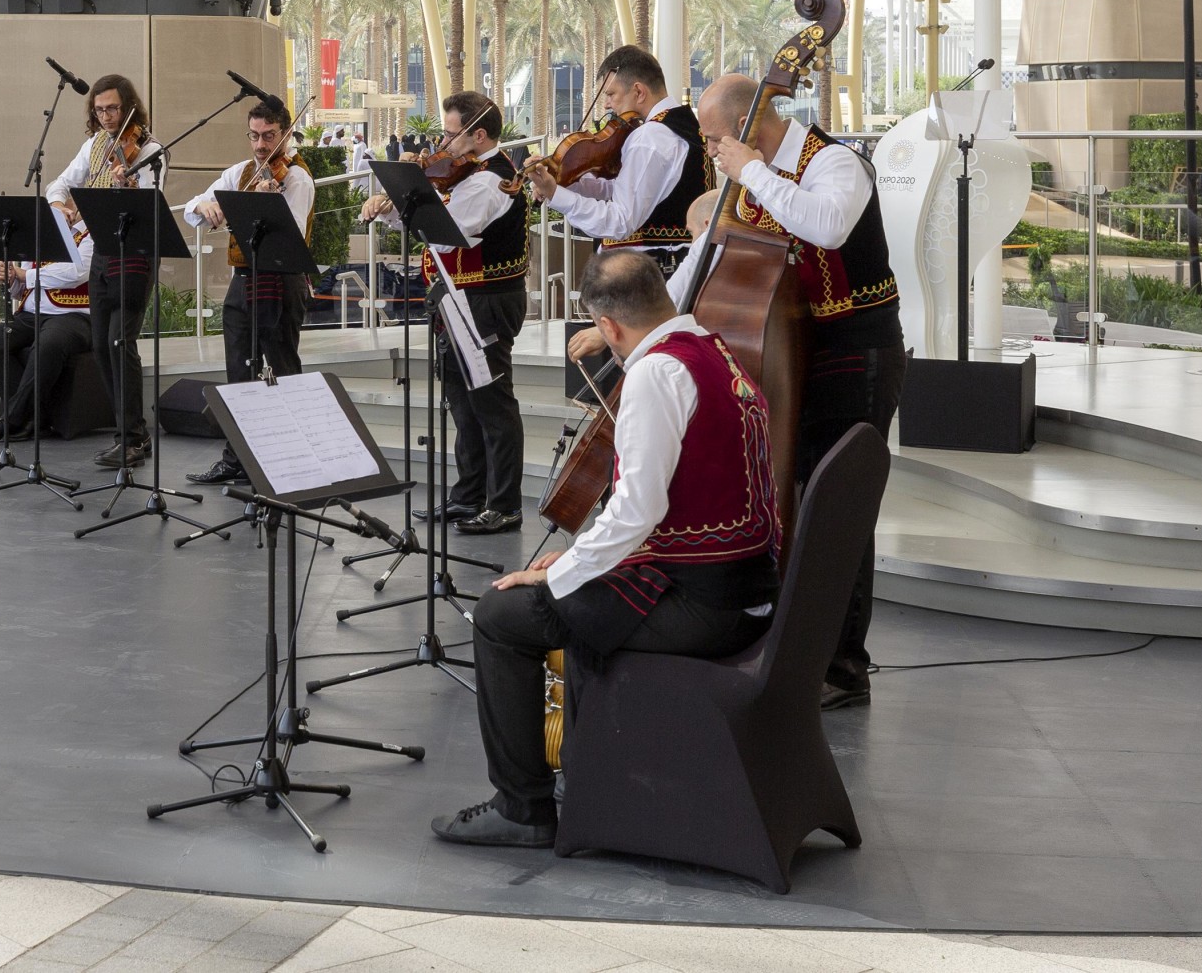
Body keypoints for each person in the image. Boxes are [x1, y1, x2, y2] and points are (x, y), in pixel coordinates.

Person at [432, 250, 780, 848]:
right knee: (572, 587)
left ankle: (522, 809)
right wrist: (574, 564)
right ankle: (595, 774)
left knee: (498, 616)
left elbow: (635, 511)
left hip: (703, 608)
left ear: (609, 327)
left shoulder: (654, 373)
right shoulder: (714, 351)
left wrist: (561, 570)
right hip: (743, 586)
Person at [670, 73, 907, 711]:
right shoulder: (746, 178)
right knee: (794, 493)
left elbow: (825, 227)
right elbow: (709, 253)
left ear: (751, 125)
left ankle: (843, 666)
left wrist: (750, 171)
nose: (712, 151)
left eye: (716, 138)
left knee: (841, 504)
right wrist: (654, 322)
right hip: (797, 351)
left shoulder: (833, 162)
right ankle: (791, 643)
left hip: (858, 350)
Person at [361, 90, 529, 536]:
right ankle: (468, 494)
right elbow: (436, 219)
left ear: (478, 135)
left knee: (492, 401)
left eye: (451, 135)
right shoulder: (462, 176)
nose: (443, 144)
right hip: (457, 298)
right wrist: (400, 203)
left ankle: (505, 503)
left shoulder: (492, 179)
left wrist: (408, 200)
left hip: (488, 300)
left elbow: (452, 231)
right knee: (461, 400)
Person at [181, 95, 315, 485]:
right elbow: (195, 206)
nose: (260, 145)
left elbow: (288, 232)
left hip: (281, 282)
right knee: (238, 373)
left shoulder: (297, 178)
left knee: (282, 372)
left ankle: (290, 458)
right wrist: (205, 208)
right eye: (254, 136)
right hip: (243, 282)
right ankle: (236, 459)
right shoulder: (239, 172)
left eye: (268, 136)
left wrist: (262, 204)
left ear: (285, 135)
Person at [46, 75, 165, 469]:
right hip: (100, 255)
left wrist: (126, 187)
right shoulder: (95, 145)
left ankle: (132, 436)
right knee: (101, 345)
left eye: (112, 108)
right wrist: (61, 203)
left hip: (133, 254)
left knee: (119, 342)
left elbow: (151, 203)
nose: (106, 117)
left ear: (129, 105)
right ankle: (129, 433)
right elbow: (60, 182)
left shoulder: (151, 149)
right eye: (99, 110)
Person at [524, 46, 710, 278]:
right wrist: (566, 183)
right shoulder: (686, 127)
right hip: (671, 269)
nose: (606, 105)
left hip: (642, 280)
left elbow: (621, 221)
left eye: (611, 94)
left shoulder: (650, 137)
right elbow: (623, 189)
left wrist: (556, 194)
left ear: (639, 92)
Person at [0, 215, 96, 443]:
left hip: (73, 315)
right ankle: (32, 418)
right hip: (31, 314)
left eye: (65, 204)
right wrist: (10, 279)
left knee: (47, 345)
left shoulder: (91, 234)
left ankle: (12, 420)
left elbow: (77, 273)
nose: (64, 212)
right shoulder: (41, 236)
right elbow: (22, 287)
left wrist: (23, 275)